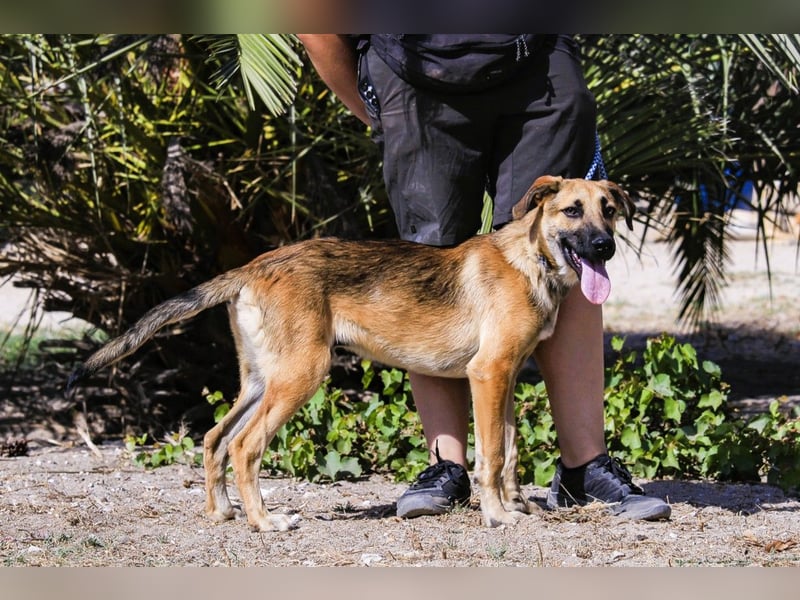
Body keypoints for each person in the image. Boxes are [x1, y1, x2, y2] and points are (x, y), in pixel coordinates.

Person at [297, 34, 670, 521]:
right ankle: (446, 467)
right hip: (412, 74)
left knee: (566, 256)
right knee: (431, 257)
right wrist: (375, 102)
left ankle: (584, 467)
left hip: (540, 65)